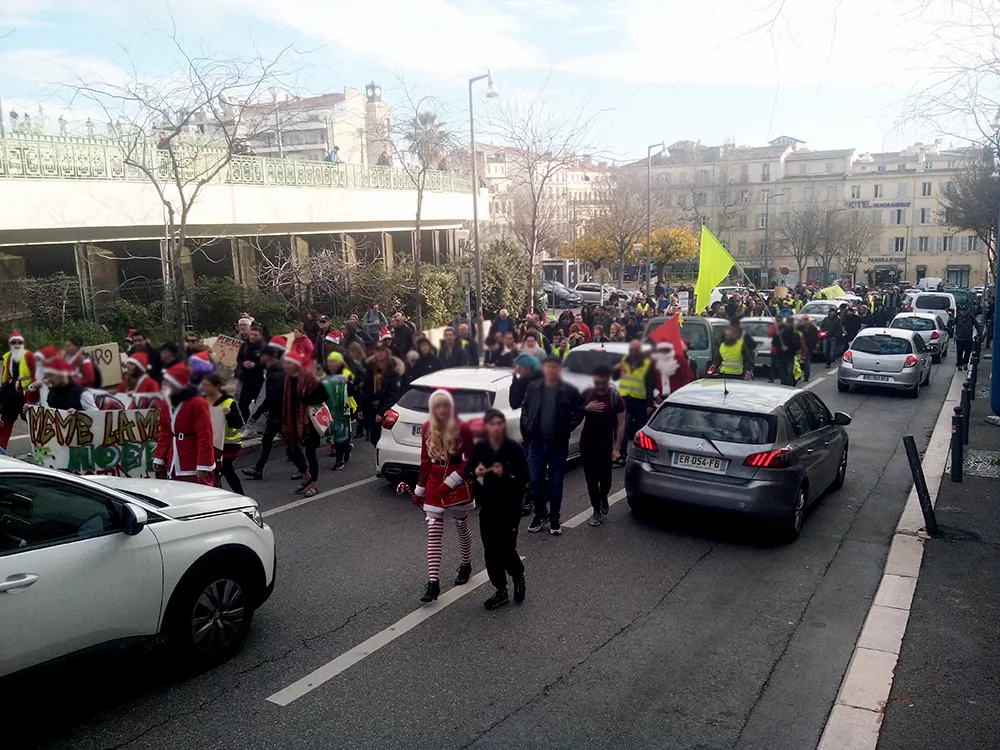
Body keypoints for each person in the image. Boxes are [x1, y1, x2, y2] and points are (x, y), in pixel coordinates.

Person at [400, 389, 477, 603]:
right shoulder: (427, 427)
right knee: (434, 531)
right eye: (438, 406)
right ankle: (433, 583)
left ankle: (466, 564)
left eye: (445, 405)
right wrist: (419, 489)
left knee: (461, 525)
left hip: (455, 482)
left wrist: (454, 479)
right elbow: (425, 461)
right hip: (434, 482)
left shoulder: (463, 427)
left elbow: (471, 459)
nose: (442, 410)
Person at [466, 409, 529, 608]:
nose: (496, 428)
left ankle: (518, 576)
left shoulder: (514, 449)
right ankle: (500, 589)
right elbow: (469, 469)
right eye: (491, 424)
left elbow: (525, 478)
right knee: (490, 551)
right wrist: (475, 473)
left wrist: (507, 474)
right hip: (489, 507)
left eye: (499, 424)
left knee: (506, 548)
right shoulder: (482, 447)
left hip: (509, 508)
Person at [519, 356, 584, 535]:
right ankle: (540, 515)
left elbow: (580, 411)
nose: (551, 370)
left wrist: (567, 427)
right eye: (548, 367)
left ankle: (555, 518)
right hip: (536, 445)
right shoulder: (534, 388)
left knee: (556, 484)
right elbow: (525, 409)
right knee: (536, 481)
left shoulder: (568, 390)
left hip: (557, 445)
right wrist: (527, 426)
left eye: (555, 367)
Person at [153, 363, 216, 484]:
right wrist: (159, 457)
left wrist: (203, 464)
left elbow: (205, 435)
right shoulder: (167, 402)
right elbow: (165, 432)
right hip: (175, 459)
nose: (165, 385)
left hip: (192, 457)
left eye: (168, 382)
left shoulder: (197, 402)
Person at [580, 365, 625, 527]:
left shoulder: (615, 397)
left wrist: (618, 447)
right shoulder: (587, 394)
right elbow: (573, 409)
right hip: (587, 442)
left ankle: (603, 495)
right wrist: (586, 408)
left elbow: (621, 423)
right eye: (597, 381)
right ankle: (596, 510)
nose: (599, 385)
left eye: (602, 381)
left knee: (605, 479)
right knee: (591, 479)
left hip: (605, 442)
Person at [281, 349, 328, 497]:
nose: (286, 365)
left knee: (310, 452)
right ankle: (305, 475)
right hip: (293, 420)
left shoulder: (310, 378)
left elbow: (323, 396)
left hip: (309, 422)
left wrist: (305, 399)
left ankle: (314, 484)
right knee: (291, 449)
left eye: (289, 363)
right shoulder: (288, 378)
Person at [241, 340, 287, 481]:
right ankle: (258, 469)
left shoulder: (277, 373)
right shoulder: (274, 371)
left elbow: (272, 397)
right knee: (267, 440)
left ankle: (305, 472)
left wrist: (257, 413)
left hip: (279, 413)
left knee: (293, 445)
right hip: (276, 412)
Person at [613, 339, 656, 466]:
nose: (633, 352)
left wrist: (649, 404)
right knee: (623, 428)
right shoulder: (624, 360)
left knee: (641, 428)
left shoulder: (647, 364)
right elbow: (615, 377)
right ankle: (622, 455)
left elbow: (650, 385)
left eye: (635, 350)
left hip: (639, 400)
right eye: (631, 350)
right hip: (624, 398)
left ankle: (643, 455)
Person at [201, 373, 244, 495]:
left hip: (229, 444)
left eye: (207, 385)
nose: (204, 388)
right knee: (222, 470)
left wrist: (230, 414)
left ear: (217, 386)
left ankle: (237, 494)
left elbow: (238, 423)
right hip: (211, 443)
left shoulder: (229, 402)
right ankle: (236, 494)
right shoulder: (201, 401)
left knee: (223, 469)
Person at [360, 344, 404, 448]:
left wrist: (382, 412)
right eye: (377, 350)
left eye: (382, 350)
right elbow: (366, 391)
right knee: (374, 438)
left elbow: (393, 395)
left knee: (387, 439)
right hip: (372, 409)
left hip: (386, 409)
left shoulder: (393, 370)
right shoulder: (370, 369)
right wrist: (361, 408)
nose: (380, 353)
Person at [0, 333, 38, 450]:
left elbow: (36, 376)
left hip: (27, 396)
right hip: (11, 395)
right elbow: (4, 376)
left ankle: (39, 450)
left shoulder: (30, 356)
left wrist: (32, 399)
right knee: (5, 423)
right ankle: (2, 452)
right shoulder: (7, 357)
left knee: (34, 425)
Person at [323, 351, 357, 470]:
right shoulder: (325, 375)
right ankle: (347, 447)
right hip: (330, 409)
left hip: (343, 409)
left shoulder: (346, 374)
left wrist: (348, 383)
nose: (330, 364)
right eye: (329, 362)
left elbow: (353, 391)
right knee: (335, 435)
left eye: (333, 362)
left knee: (340, 435)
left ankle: (339, 460)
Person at [236, 325, 265, 419]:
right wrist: (243, 364)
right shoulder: (245, 345)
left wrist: (255, 365)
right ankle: (247, 423)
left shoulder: (264, 347)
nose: (252, 337)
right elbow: (238, 359)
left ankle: (259, 426)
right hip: (246, 379)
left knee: (260, 405)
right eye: (251, 334)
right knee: (242, 405)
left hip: (260, 380)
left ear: (260, 336)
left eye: (255, 335)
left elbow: (268, 363)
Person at [772, 316, 801, 386]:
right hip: (781, 355)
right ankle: (783, 384)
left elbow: (797, 345)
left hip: (790, 355)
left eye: (790, 323)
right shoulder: (781, 332)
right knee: (782, 372)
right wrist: (779, 344)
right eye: (788, 323)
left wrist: (788, 348)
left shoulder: (795, 334)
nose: (789, 324)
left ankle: (790, 384)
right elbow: (774, 342)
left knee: (789, 372)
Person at [798, 316, 819, 383]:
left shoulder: (812, 328)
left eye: (805, 320)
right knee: (798, 362)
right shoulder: (800, 327)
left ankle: (806, 376)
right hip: (799, 347)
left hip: (807, 347)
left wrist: (810, 346)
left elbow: (814, 338)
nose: (804, 322)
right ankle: (798, 375)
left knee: (806, 362)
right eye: (803, 320)